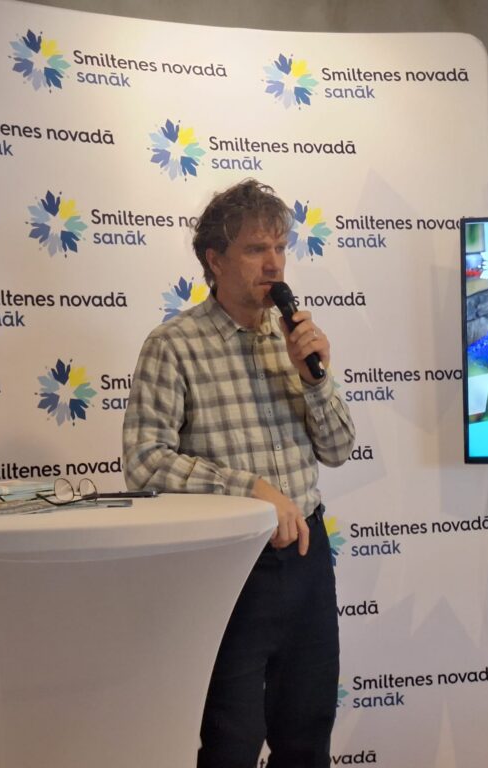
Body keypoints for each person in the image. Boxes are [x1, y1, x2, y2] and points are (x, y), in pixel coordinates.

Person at [122, 179, 356, 767]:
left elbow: (338, 449)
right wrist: (248, 490)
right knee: (231, 742)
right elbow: (145, 462)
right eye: (255, 249)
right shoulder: (174, 345)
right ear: (215, 260)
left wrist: (315, 378)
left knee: (307, 735)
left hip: (306, 556)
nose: (274, 264)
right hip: (230, 566)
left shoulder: (293, 341)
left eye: (279, 247)